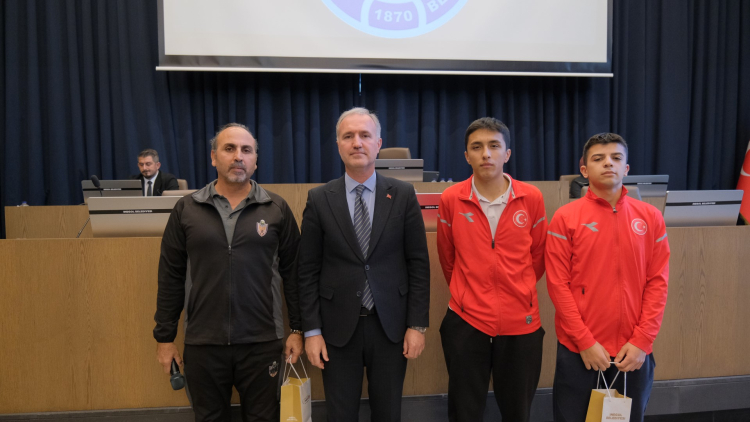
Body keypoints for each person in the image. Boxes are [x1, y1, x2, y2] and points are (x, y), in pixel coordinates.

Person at [153, 123, 303, 422]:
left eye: (247, 150)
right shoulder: (187, 209)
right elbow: (170, 276)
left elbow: (295, 274)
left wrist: (298, 329)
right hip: (203, 342)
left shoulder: (276, 208)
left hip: (262, 341)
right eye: (229, 148)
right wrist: (165, 338)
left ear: (255, 160)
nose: (238, 156)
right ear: (213, 157)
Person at [297, 107, 430, 422]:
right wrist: (311, 331)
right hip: (336, 330)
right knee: (340, 415)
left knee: (388, 413)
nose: (357, 142)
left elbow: (418, 265)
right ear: (338, 145)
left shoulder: (402, 194)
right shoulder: (319, 198)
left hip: (391, 328)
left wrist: (417, 325)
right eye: (348, 136)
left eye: (365, 135)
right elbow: (307, 270)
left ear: (378, 143)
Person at [545, 133, 670, 422]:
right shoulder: (565, 217)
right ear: (584, 170)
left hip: (633, 352)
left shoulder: (651, 217)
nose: (608, 164)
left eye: (616, 158)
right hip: (581, 351)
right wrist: (584, 342)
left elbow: (658, 283)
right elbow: (558, 285)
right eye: (598, 158)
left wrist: (642, 341)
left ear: (626, 168)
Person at [436, 117, 547, 422]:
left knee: (517, 412)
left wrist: (517, 288)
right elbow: (448, 258)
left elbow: (537, 257)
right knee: (465, 411)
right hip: (466, 320)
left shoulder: (531, 198)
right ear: (466, 156)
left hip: (521, 322)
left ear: (507, 153)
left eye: (494, 145)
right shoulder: (451, 199)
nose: (486, 153)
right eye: (477, 147)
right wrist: (469, 292)